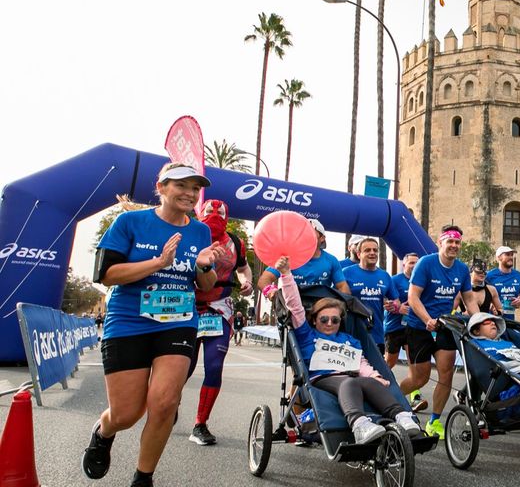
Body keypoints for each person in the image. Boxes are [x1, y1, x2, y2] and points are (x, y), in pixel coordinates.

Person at [83, 163, 225, 487]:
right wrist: (158, 263)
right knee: (126, 414)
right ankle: (104, 432)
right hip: (129, 321)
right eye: (182, 186)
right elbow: (105, 274)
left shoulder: (200, 231)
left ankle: (143, 478)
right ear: (161, 188)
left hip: (177, 322)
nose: (190, 193)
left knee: (163, 402)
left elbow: (206, 284)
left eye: (195, 188)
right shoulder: (130, 222)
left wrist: (204, 267)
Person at [271, 256, 421, 443]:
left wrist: (374, 376)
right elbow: (295, 305)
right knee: (349, 383)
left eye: (335, 320)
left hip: (351, 375)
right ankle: (359, 424)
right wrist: (285, 274)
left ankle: (402, 417)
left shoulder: (348, 339)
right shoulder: (307, 333)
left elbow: (361, 363)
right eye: (324, 319)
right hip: (322, 378)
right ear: (315, 319)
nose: (330, 323)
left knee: (371, 382)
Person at [186, 199, 253, 447]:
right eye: (210, 212)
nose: (215, 214)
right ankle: (170, 405)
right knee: (184, 367)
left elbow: (244, 269)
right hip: (187, 309)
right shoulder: (187, 233)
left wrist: (246, 281)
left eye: (220, 213)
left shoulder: (236, 242)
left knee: (214, 366)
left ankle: (200, 424)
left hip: (220, 310)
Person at [400, 224, 476, 439]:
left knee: (446, 375)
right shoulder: (426, 263)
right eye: (450, 241)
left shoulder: (461, 269)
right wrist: (427, 319)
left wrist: (478, 320)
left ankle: (434, 422)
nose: (454, 245)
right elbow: (413, 297)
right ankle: (392, 398)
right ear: (440, 242)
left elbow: (469, 297)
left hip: (445, 327)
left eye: (457, 242)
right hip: (419, 327)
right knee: (419, 379)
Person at [384, 252, 428, 412]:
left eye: (417, 263)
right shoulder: (395, 280)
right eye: (411, 263)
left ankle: (415, 397)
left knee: (413, 363)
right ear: (404, 265)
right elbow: (385, 300)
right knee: (389, 362)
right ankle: (381, 389)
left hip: (413, 328)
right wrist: (397, 308)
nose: (414, 265)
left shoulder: (423, 281)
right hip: (394, 328)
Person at [342, 237, 400, 354]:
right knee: (352, 372)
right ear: (359, 254)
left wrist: (393, 306)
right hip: (351, 334)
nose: (372, 253)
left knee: (375, 371)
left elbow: (396, 301)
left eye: (375, 250)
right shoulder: (346, 273)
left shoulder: (385, 276)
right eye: (367, 250)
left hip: (376, 334)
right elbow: (335, 300)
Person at [256, 218, 347, 292]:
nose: (306, 233)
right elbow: (264, 279)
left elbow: (342, 286)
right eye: (303, 230)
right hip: (292, 309)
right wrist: (271, 292)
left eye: (311, 230)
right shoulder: (287, 257)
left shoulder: (331, 260)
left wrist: (339, 305)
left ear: (322, 238)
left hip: (320, 309)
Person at [486, 246, 520, 321]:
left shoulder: (518, 275)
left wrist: (519, 301)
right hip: (492, 319)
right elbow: (481, 296)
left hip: (510, 319)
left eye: (511, 255)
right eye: (507, 254)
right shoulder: (489, 276)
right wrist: (491, 305)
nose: (510, 257)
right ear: (499, 258)